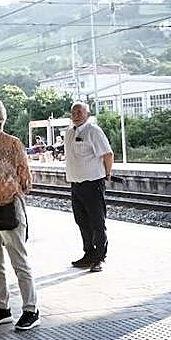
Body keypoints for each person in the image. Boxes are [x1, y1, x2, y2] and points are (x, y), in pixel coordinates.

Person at [0, 97, 39, 331]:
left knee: (19, 261)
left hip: (10, 208)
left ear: (1, 117)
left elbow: (26, 179)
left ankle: (31, 309)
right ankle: (2, 307)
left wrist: (7, 191)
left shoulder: (13, 144)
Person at [65, 101, 113, 273]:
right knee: (82, 221)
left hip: (93, 183)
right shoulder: (69, 132)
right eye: (73, 112)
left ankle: (100, 257)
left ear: (87, 114)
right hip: (76, 184)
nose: (76, 115)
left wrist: (106, 175)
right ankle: (88, 254)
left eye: (79, 112)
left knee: (97, 222)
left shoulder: (94, 131)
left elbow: (107, 154)